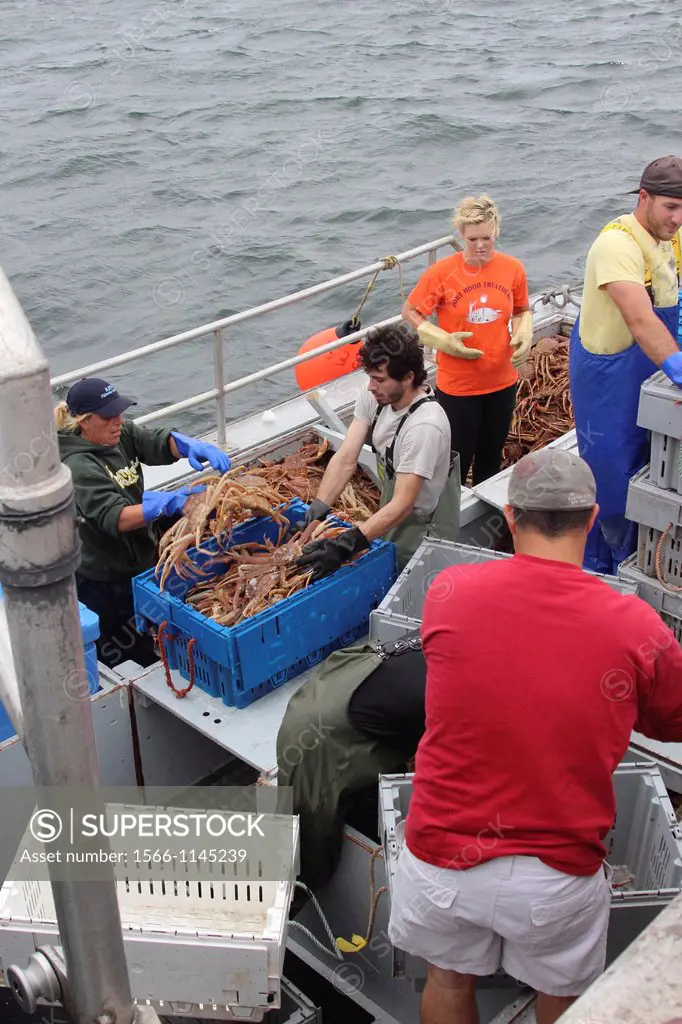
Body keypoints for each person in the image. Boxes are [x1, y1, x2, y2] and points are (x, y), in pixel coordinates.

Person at [387, 449, 682, 1024]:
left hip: (443, 861)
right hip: (557, 878)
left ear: (513, 517)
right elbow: (671, 720)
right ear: (592, 519)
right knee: (566, 1002)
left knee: (447, 981)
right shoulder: (634, 624)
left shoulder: (450, 592)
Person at [56, 376, 231, 669]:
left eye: (120, 413)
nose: (118, 421)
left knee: (151, 630)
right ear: (84, 422)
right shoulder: (78, 466)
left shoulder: (117, 434)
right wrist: (168, 503)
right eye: (108, 416)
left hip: (140, 560)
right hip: (106, 577)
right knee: (126, 655)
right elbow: (116, 518)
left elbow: (154, 441)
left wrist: (186, 445)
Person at [569, 155, 682, 574]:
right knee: (611, 487)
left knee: (649, 470)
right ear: (644, 197)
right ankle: (608, 569)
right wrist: (678, 367)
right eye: (671, 207)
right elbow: (639, 317)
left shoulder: (671, 237)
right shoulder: (617, 244)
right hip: (608, 386)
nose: (678, 218)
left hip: (649, 375)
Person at [295, 323, 460, 576]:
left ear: (408, 377)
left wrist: (347, 544)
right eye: (370, 376)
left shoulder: (425, 426)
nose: (371, 386)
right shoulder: (377, 394)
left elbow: (404, 504)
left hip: (424, 524)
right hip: (393, 508)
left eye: (379, 379)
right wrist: (318, 507)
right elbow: (347, 457)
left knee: (415, 589)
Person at [277, 629, 426, 891]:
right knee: (309, 850)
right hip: (319, 737)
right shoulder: (455, 690)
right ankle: (300, 907)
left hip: (349, 678)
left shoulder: (464, 636)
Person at [402, 194, 532, 486]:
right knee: (455, 459)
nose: (480, 245)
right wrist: (440, 338)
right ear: (461, 234)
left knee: (491, 455)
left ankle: (485, 512)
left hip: (501, 380)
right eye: (472, 239)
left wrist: (524, 330)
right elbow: (410, 311)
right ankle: (451, 519)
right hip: (458, 387)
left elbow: (522, 309)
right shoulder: (441, 273)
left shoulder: (513, 269)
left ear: (496, 231)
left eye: (486, 237)